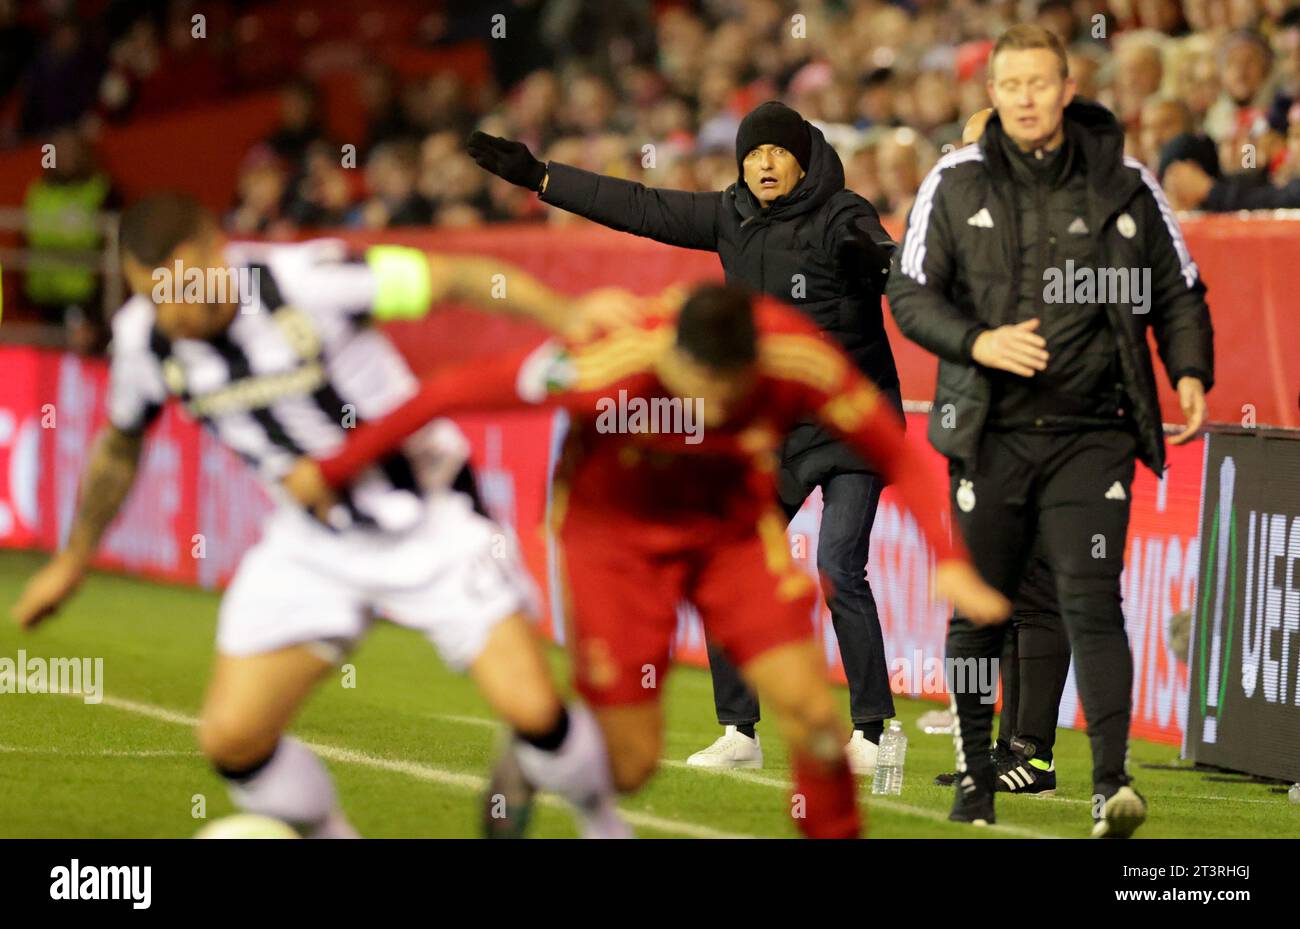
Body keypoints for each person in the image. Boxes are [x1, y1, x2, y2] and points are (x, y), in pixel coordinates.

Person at [281, 282, 1013, 840]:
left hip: (729, 535)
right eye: (700, 388)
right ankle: (538, 750)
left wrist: (945, 556)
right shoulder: (604, 360)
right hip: (614, 542)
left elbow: (889, 445)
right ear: (673, 356)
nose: (713, 405)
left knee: (814, 717)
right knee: (628, 765)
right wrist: (332, 466)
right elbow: (443, 393)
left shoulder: (796, 358)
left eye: (729, 394)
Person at [9, 192, 633, 839]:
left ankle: (602, 824)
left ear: (212, 255)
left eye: (175, 292)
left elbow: (455, 277)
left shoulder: (308, 281)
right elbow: (120, 442)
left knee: (535, 709)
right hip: (311, 541)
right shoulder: (146, 340)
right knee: (233, 738)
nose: (169, 314)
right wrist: (72, 559)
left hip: (431, 516)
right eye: (150, 297)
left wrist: (566, 314)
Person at [468, 100, 903, 775]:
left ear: (803, 159)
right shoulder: (728, 215)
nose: (762, 162)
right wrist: (542, 177)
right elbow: (640, 204)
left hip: (850, 422)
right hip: (773, 429)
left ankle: (875, 731)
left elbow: (881, 254)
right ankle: (740, 731)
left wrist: (877, 260)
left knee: (838, 564)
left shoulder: (842, 212)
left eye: (776, 152)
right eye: (752, 152)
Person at [887, 25, 1213, 837]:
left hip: (1091, 429)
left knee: (1091, 598)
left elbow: (1179, 289)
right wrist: (977, 341)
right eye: (1012, 84)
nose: (1027, 97)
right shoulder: (954, 180)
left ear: (1068, 88)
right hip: (990, 429)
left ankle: (1113, 784)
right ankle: (975, 775)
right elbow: (910, 291)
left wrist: (1190, 369)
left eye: (1041, 82)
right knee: (979, 610)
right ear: (992, 93)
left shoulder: (1126, 180)